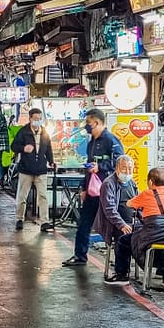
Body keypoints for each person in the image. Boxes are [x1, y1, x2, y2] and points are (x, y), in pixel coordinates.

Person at [63, 109, 124, 266]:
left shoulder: (111, 140)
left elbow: (120, 163)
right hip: (91, 191)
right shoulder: (91, 142)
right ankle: (80, 256)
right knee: (83, 223)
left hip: (107, 192)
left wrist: (101, 166)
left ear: (96, 123)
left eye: (88, 123)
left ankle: (120, 265)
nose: (86, 126)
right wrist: (84, 188)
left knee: (114, 227)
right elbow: (88, 167)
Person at [115, 167, 164, 286]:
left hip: (153, 230)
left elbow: (129, 203)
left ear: (151, 182)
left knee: (124, 241)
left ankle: (121, 275)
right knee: (161, 242)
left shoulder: (147, 193)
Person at [89, 156, 137, 282]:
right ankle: (121, 273)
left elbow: (138, 203)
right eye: (124, 168)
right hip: (114, 224)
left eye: (130, 169)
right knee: (123, 238)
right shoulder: (108, 184)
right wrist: (121, 224)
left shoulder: (132, 183)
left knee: (153, 233)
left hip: (133, 222)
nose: (127, 172)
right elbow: (109, 209)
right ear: (116, 169)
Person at [9, 108, 55, 232]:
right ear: (30, 119)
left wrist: (51, 161)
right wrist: (24, 148)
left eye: (40, 119)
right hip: (25, 169)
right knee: (22, 196)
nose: (37, 121)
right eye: (35, 119)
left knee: (43, 196)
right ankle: (19, 218)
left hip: (41, 169)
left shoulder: (44, 133)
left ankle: (44, 221)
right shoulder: (23, 132)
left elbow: (48, 149)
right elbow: (13, 146)